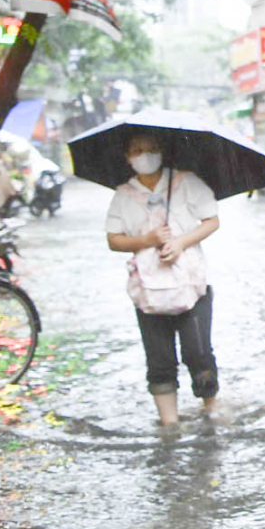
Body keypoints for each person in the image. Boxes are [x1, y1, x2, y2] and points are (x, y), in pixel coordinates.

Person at [104, 131, 221, 429]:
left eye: (152, 149)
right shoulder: (123, 195)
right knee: (159, 360)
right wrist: (147, 239)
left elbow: (212, 220)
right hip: (148, 292)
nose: (145, 155)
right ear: (127, 157)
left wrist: (180, 242)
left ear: (163, 152)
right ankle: (169, 427)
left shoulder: (185, 182)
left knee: (198, 352)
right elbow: (114, 240)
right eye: (137, 149)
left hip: (191, 285)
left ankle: (212, 411)